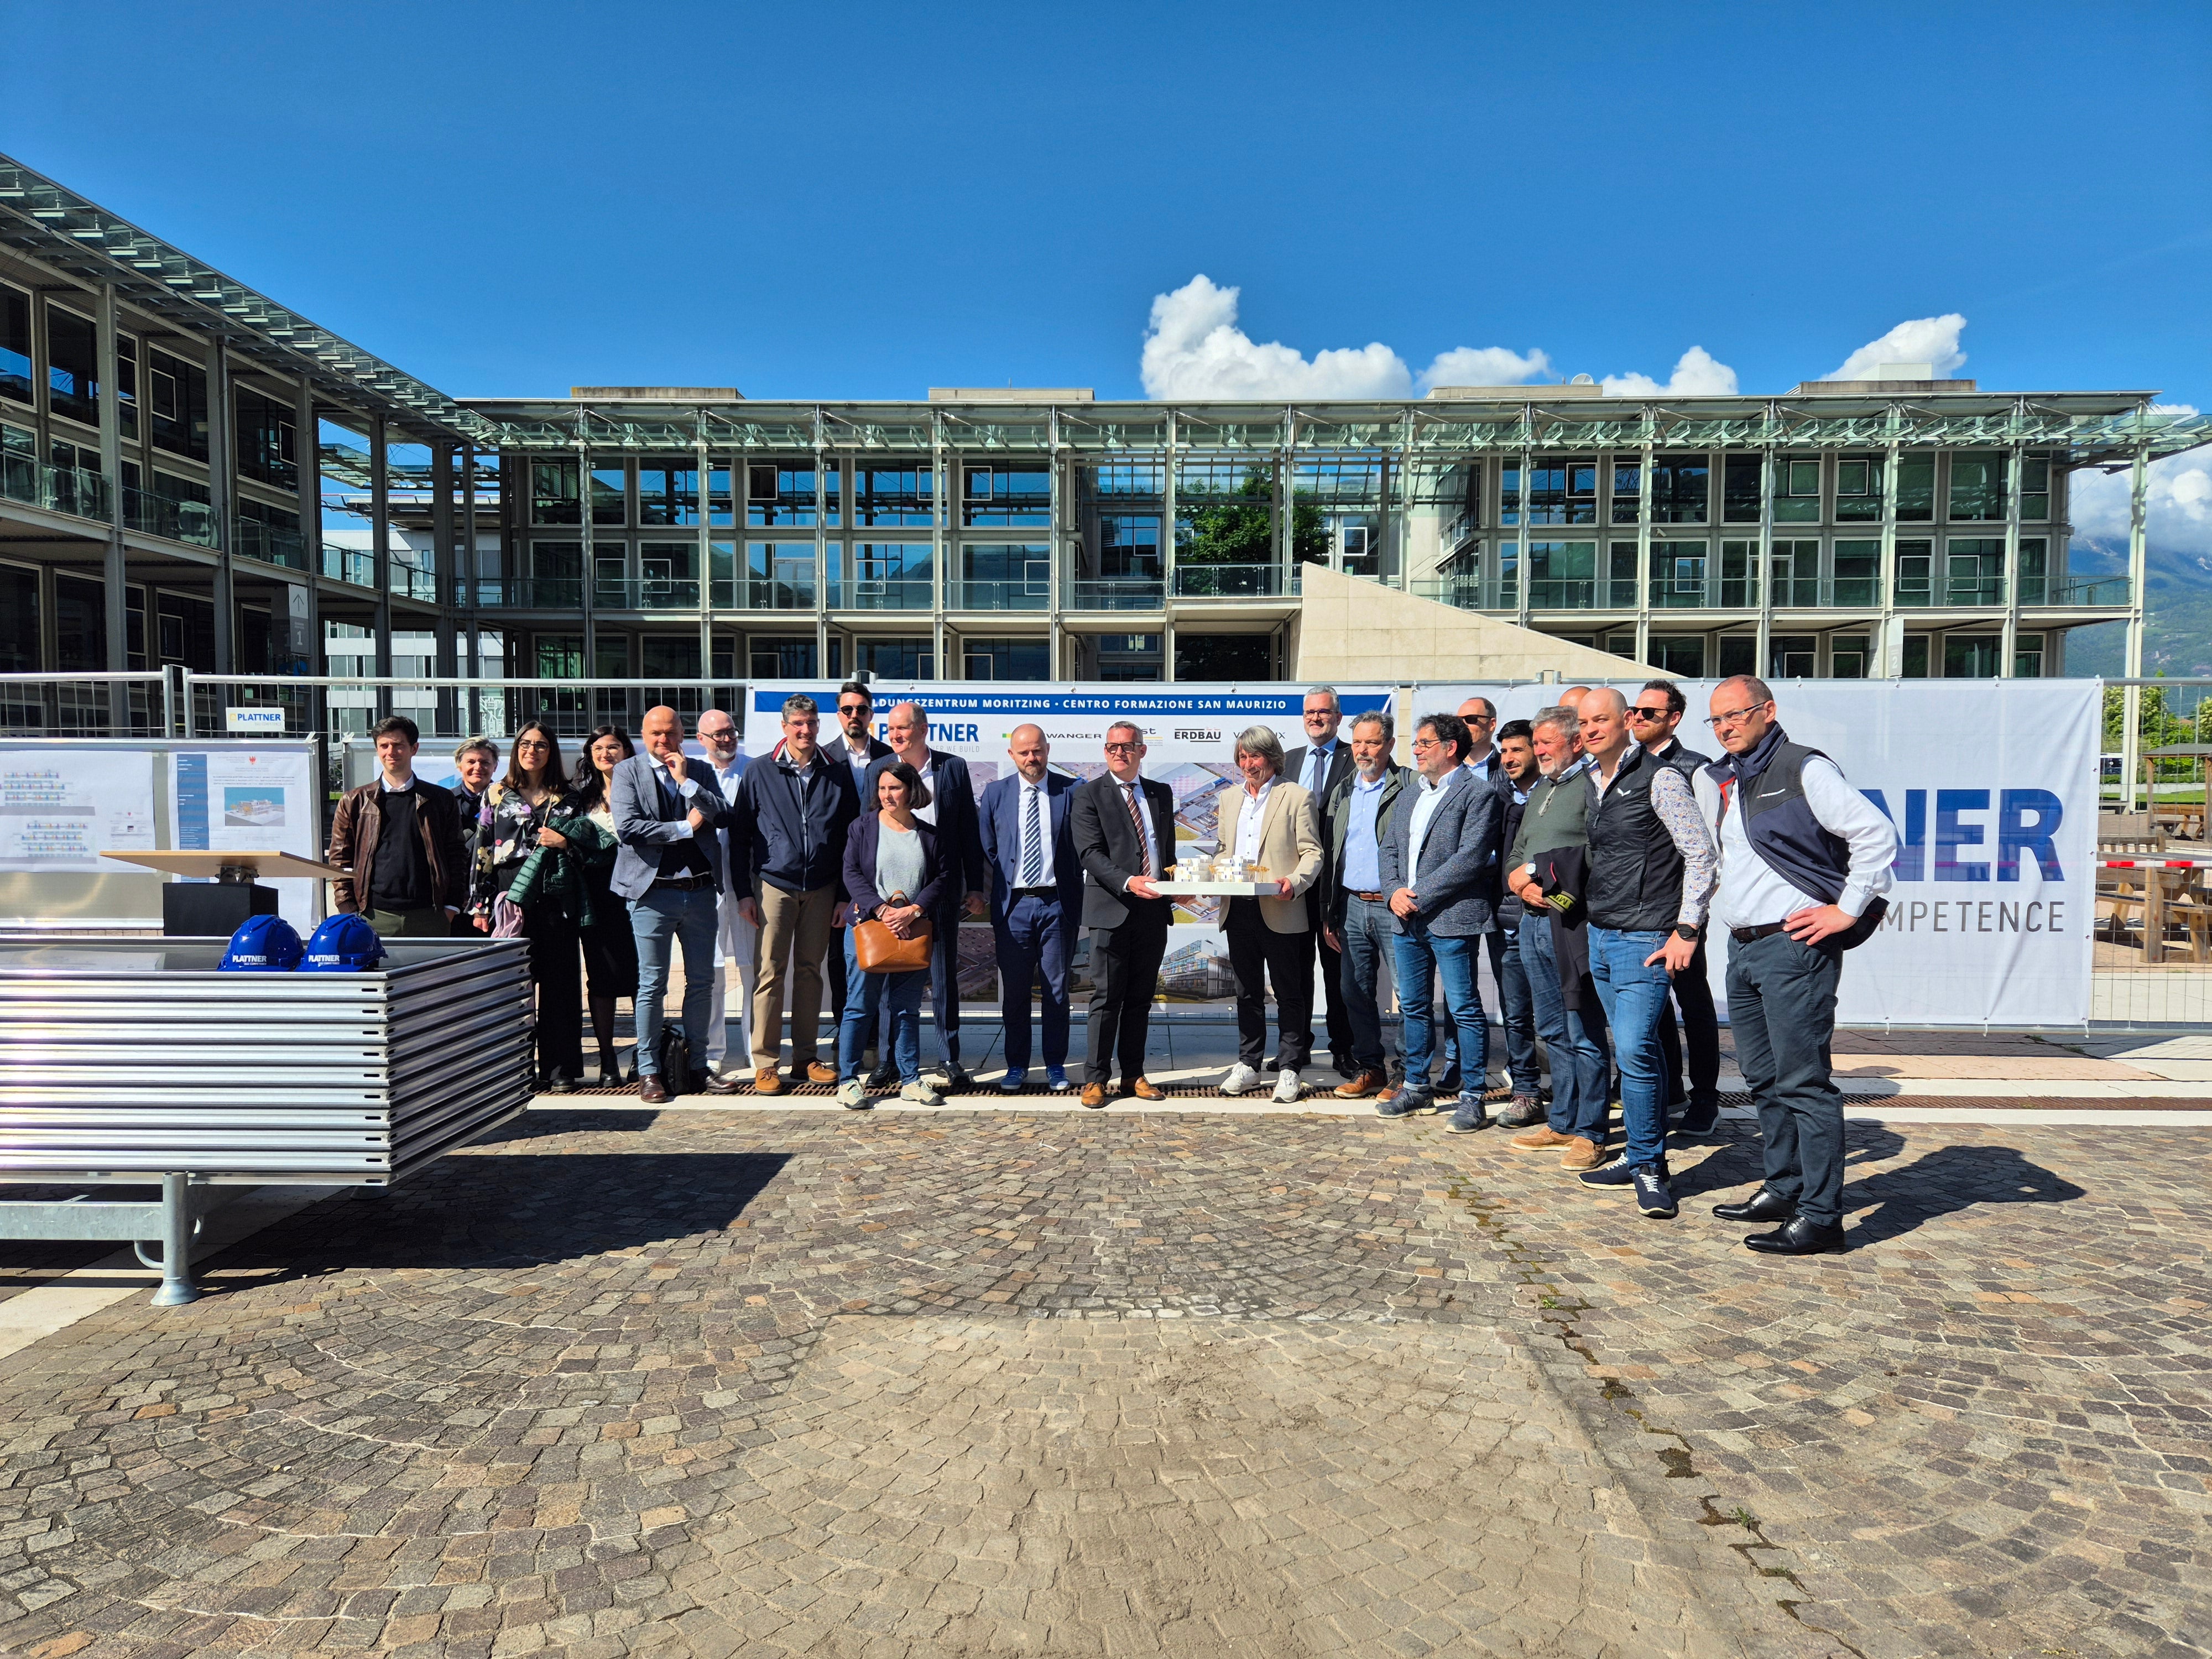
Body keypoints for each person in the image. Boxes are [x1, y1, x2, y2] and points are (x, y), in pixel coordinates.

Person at [1695, 676, 1897, 1255]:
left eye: (1735, 715)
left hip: (1792, 949)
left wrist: (1844, 910)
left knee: (1803, 1084)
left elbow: (1876, 835)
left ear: (1768, 711)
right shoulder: (1732, 778)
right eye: (1716, 720)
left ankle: (1821, 1217)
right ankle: (1783, 1187)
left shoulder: (1803, 769)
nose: (1726, 727)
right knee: (1762, 1079)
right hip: (1743, 948)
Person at [1572, 687, 1717, 1220]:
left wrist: (1686, 929)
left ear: (1627, 721)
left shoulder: (1660, 777)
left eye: (1601, 720)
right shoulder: (1590, 782)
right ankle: (1638, 1154)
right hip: (1603, 936)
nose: (1590, 730)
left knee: (1635, 1051)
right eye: (1583, 722)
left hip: (1646, 939)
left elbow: (1701, 854)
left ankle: (1651, 1167)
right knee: (1637, 1051)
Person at [1378, 712, 1501, 1132]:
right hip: (1405, 918)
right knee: (1412, 1006)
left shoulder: (1478, 793)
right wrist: (1394, 890)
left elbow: (1470, 858)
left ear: (1450, 747)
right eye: (1416, 744)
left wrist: (1419, 896)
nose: (1415, 750)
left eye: (1424, 743)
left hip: (1451, 917)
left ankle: (1472, 1097)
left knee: (1464, 1008)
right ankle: (1416, 1086)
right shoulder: (1410, 795)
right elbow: (1389, 849)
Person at [611, 705, 739, 1104]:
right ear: (643, 735)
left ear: (682, 734)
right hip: (653, 894)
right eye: (655, 734)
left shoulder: (698, 771)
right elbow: (629, 828)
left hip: (700, 892)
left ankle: (699, 1066)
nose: (664, 741)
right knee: (652, 984)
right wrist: (684, 827)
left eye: (670, 733)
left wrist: (686, 784)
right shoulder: (627, 772)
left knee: (703, 982)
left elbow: (721, 816)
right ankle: (649, 1071)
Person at [733, 693, 860, 1094]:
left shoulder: (837, 773)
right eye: (798, 724)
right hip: (774, 885)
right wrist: (744, 892)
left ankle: (806, 1056)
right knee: (770, 972)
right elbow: (740, 837)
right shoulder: (759, 771)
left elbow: (850, 838)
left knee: (810, 972)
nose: (806, 731)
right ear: (785, 728)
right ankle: (767, 1062)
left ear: (819, 725)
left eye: (811, 723)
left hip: (823, 888)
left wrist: (844, 894)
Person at [1503, 707, 1611, 1171]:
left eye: (1547, 742)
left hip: (1570, 922)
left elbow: (1595, 850)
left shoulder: (1591, 788)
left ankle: (1592, 1132)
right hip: (1531, 921)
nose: (1540, 750)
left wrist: (1538, 880)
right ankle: (1563, 1121)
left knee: (1583, 1031)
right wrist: (1521, 882)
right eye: (1538, 743)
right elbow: (1518, 851)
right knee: (1551, 1028)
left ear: (1576, 743)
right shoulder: (1541, 789)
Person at [866, 704, 988, 1092]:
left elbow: (968, 827)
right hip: (894, 893)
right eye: (890, 729)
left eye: (903, 728)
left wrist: (974, 886)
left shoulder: (952, 768)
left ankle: (948, 1057)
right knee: (891, 975)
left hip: (943, 886)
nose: (896, 735)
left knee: (942, 975)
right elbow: (866, 830)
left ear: (922, 729)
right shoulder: (878, 769)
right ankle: (888, 1059)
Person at [1629, 679, 1722, 1135]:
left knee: (1693, 1006)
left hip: (1681, 915)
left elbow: (1708, 850)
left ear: (1674, 718)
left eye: (1650, 712)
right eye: (1635, 710)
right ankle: (1669, 1090)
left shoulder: (1694, 768)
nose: (1639, 718)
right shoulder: (1626, 766)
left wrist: (1691, 921)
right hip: (1639, 912)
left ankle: (1705, 1098)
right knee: (1653, 1008)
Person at [1214, 726, 1325, 1103]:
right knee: (1247, 992)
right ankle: (1249, 1063)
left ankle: (1291, 1067)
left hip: (1281, 906)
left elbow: (1313, 853)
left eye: (1255, 757)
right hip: (1238, 908)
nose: (1249, 765)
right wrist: (1216, 870)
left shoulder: (1296, 796)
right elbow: (1221, 849)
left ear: (1272, 758)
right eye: (1243, 758)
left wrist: (1293, 882)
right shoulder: (1229, 799)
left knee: (1289, 992)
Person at [471, 721, 584, 1091]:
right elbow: (483, 852)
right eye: (525, 744)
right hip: (511, 899)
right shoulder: (497, 794)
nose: (531, 751)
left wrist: (566, 844)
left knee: (560, 986)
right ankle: (515, 1068)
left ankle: (560, 1068)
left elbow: (589, 847)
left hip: (556, 896)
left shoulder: (570, 797)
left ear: (551, 752)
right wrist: (480, 906)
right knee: (514, 987)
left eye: (540, 745)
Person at [1070, 721, 1176, 1108]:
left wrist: (1177, 884)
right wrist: (1129, 882)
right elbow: (1090, 854)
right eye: (1113, 747)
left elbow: (1166, 853)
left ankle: (1133, 1074)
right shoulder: (1088, 795)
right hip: (1110, 909)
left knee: (1140, 1000)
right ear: (1105, 751)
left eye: (1128, 746)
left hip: (1152, 912)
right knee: (1106, 997)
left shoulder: (1161, 794)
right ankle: (1096, 1079)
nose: (1120, 753)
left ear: (1142, 751)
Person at [837, 761, 950, 1109]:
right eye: (883, 788)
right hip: (869, 929)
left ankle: (911, 1080)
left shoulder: (930, 835)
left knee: (906, 1009)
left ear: (911, 791)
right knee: (859, 1007)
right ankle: (848, 1081)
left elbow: (942, 879)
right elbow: (851, 873)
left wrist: (913, 911)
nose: (887, 795)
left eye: (895, 788)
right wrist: (883, 910)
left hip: (911, 931)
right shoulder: (863, 827)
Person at [978, 723, 1081, 1092]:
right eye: (1024, 752)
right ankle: (1017, 1065)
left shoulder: (1072, 790)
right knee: (1017, 992)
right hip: (1014, 907)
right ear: (1012, 755)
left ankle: (1056, 1064)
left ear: (1048, 750)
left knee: (1056, 991)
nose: (1031, 758)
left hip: (1057, 905)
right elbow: (987, 850)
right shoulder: (995, 794)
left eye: (1037, 750)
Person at [1319, 710, 1407, 1100]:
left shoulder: (1410, 786)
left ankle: (1408, 1073)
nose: (1363, 750)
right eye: (1357, 742)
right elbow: (1333, 854)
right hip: (1352, 905)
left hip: (1394, 906)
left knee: (1409, 993)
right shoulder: (1343, 791)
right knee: (1354, 990)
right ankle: (1370, 1067)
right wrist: (1330, 912)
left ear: (1389, 744)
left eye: (1372, 742)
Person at [328, 715, 469, 940]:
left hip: (430, 915)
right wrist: (348, 908)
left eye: (398, 745)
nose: (390, 752)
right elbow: (340, 859)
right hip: (372, 916)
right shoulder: (354, 801)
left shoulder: (440, 799)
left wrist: (452, 906)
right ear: (377, 749)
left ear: (414, 749)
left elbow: (456, 854)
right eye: (384, 746)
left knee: (431, 976)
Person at [555, 724, 640, 1087]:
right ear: (590, 755)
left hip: (641, 893)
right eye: (599, 748)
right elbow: (568, 841)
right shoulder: (578, 798)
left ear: (626, 750)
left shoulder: (642, 789)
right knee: (602, 978)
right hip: (596, 897)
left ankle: (645, 1056)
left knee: (643, 978)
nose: (607, 753)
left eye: (614, 746)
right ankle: (608, 1060)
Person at [1283, 686, 1357, 1078]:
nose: (1316, 718)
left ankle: (1343, 1049)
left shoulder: (1355, 757)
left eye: (1323, 712)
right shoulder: (1289, 760)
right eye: (1310, 712)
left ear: (1338, 717)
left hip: (1338, 885)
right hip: (1294, 886)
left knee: (1337, 972)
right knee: (1294, 971)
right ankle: (1297, 1047)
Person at [820, 680, 892, 1056]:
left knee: (881, 953)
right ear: (839, 715)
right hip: (835, 877)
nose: (854, 716)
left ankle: (877, 1034)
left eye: (861, 709)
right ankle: (845, 1031)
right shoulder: (822, 756)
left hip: (880, 875)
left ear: (870, 714)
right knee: (840, 959)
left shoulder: (888, 755)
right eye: (847, 710)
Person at [1490, 719, 1546, 1127]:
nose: (1509, 758)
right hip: (1510, 923)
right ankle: (1526, 1091)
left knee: (1563, 1015)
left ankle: (1568, 1092)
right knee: (1516, 1014)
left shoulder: (1554, 796)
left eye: (1517, 750)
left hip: (1552, 922)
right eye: (1504, 751)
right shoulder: (1501, 800)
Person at [696, 707, 757, 1083]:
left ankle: (757, 1050)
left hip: (749, 884)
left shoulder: (754, 769)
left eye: (731, 731)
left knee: (754, 970)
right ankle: (714, 1051)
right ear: (701, 739)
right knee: (713, 971)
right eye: (718, 734)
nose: (726, 738)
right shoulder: (691, 774)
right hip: (706, 885)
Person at [449, 738, 500, 935]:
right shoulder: (444, 802)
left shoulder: (508, 803)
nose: (478, 767)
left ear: (495, 767)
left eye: (485, 762)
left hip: (493, 901)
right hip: (453, 901)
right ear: (459, 765)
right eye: (471, 762)